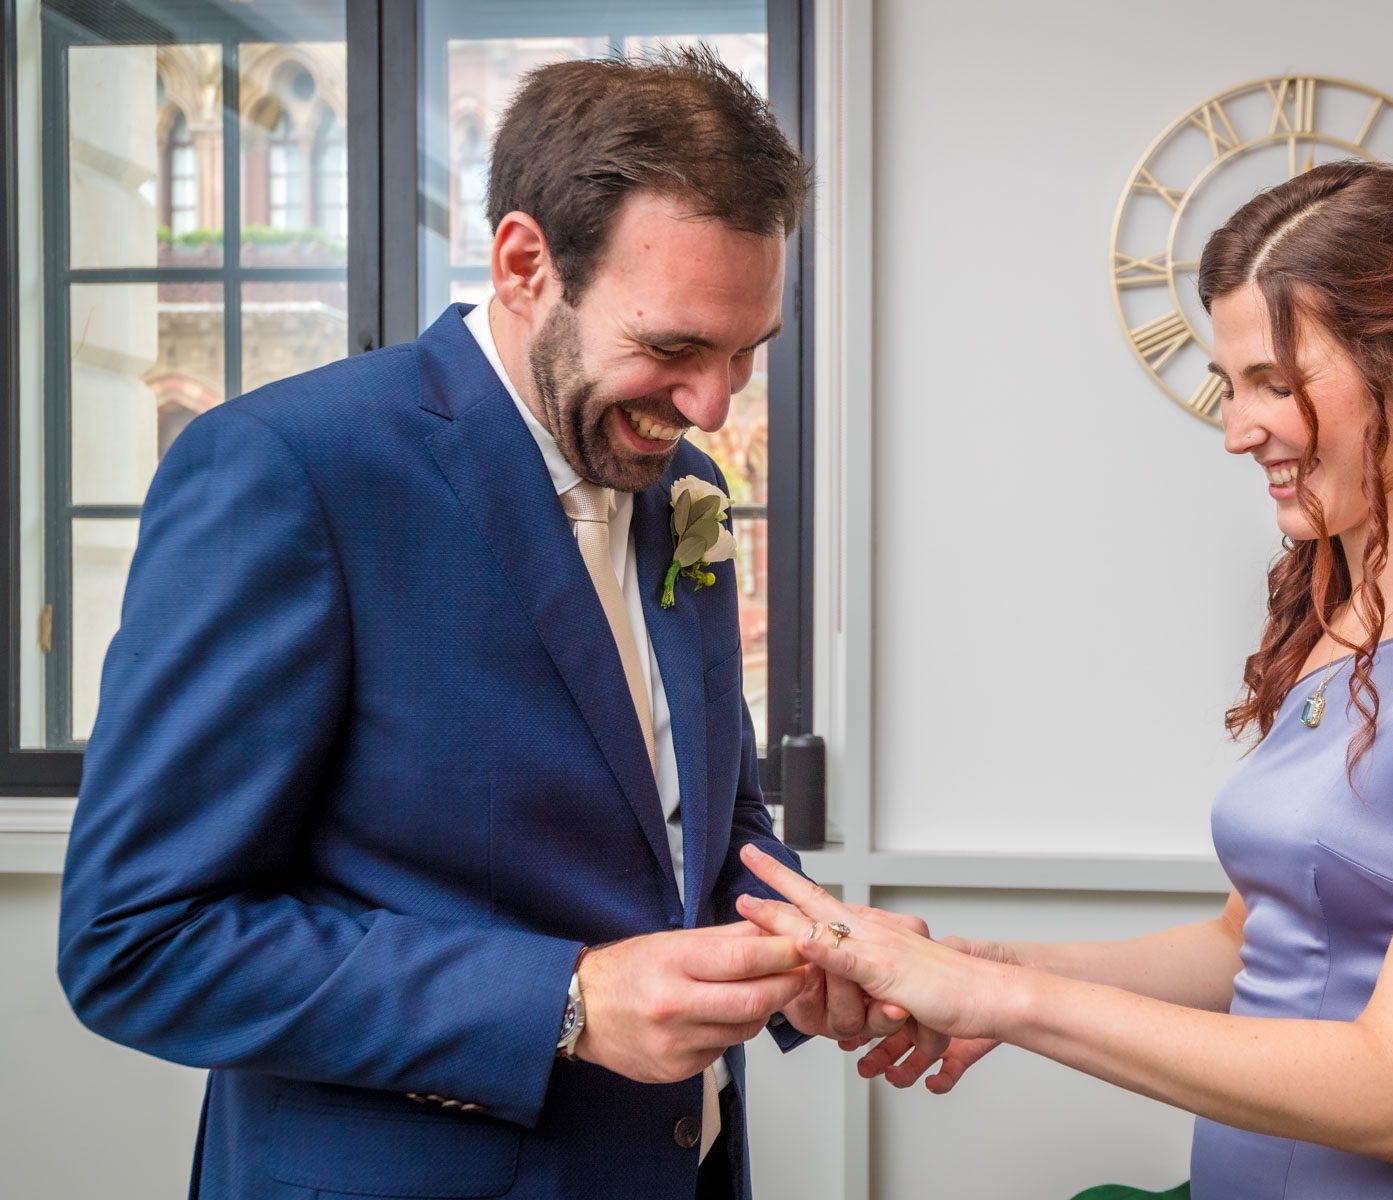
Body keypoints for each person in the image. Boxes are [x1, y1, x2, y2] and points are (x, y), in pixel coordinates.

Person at [735, 160, 1393, 1198]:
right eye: (1230, 386)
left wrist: (1002, 1002)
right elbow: (1246, 946)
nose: (1236, 430)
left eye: (1272, 381)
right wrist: (982, 965)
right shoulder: (1341, 612)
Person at [58, 49, 898, 1200]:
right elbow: (140, 943)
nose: (712, 406)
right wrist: (565, 1004)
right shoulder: (291, 472)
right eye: (673, 349)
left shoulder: (677, 479)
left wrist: (812, 951)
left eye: (747, 353)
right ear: (522, 265)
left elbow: (699, 822)